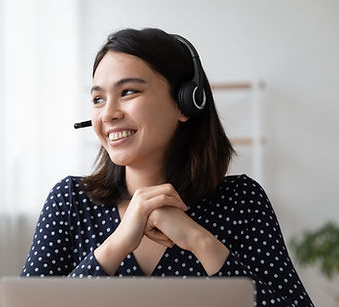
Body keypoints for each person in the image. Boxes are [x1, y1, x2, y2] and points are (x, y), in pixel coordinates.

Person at [21, 28, 314, 306]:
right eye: (98, 99)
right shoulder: (70, 201)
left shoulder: (241, 201)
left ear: (185, 103)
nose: (108, 114)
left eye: (128, 92)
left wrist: (200, 241)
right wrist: (118, 243)